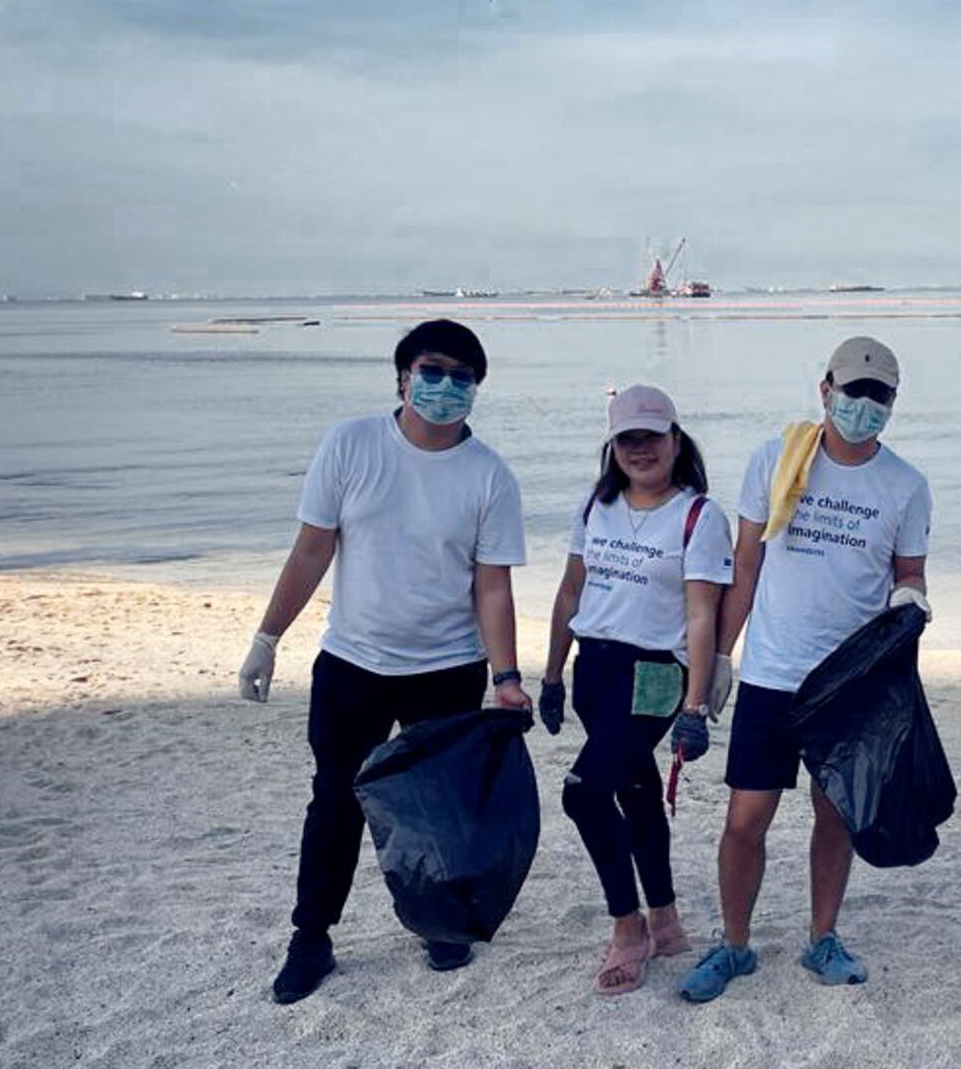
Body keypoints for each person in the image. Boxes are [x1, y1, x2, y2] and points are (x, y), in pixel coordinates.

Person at [240, 319, 531, 1005]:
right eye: (433, 371)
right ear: (402, 376)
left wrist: (507, 676)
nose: (446, 387)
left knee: (441, 810)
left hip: (448, 665)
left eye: (463, 377)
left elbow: (492, 586)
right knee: (335, 803)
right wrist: (267, 637)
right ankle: (311, 938)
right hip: (353, 662)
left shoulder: (489, 476)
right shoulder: (350, 445)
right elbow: (313, 548)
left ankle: (442, 925)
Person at [678, 336, 932, 1003]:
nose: (864, 406)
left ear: (893, 404)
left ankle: (824, 938)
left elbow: (909, 574)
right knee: (745, 820)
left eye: (878, 396)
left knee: (836, 815)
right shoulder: (777, 458)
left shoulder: (906, 485)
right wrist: (723, 658)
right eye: (853, 393)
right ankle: (734, 945)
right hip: (771, 675)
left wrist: (912, 600)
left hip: (850, 684)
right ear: (825, 390)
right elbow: (747, 564)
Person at [539, 385, 733, 995]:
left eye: (652, 436)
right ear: (612, 446)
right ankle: (667, 921)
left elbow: (702, 616)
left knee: (582, 795)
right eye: (629, 439)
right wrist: (550, 673)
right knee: (636, 789)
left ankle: (628, 929)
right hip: (593, 671)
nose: (641, 449)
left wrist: (695, 706)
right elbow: (571, 593)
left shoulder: (699, 515)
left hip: (654, 677)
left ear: (676, 440)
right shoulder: (596, 506)